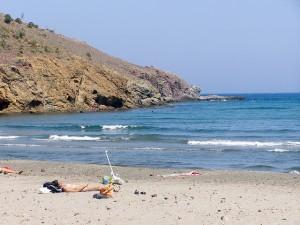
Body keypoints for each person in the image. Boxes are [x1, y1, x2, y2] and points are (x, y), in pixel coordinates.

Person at [43, 180, 114, 196]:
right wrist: (84, 185)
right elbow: (75, 190)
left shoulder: (64, 186)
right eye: (60, 182)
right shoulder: (65, 188)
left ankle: (110, 187)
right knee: (99, 187)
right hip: (84, 188)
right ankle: (110, 188)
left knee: (99, 186)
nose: (62, 182)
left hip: (84, 186)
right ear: (59, 185)